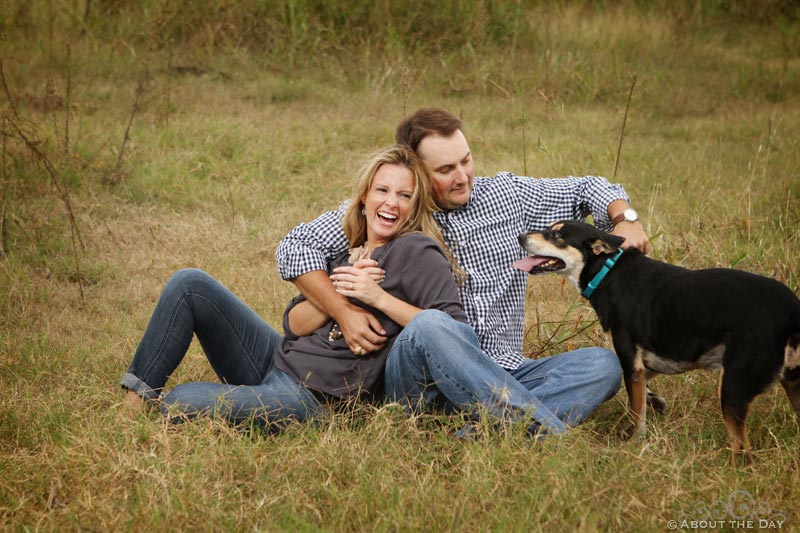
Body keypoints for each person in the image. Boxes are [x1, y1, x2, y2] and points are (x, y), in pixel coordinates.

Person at [276, 108, 651, 436]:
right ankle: (541, 429)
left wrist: (624, 218)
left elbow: (589, 188)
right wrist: (344, 310)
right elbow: (293, 248)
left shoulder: (505, 195)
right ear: (416, 172)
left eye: (466, 160)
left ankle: (481, 431)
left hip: (504, 370)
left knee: (601, 365)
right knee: (432, 326)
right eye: (445, 169)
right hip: (422, 378)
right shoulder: (395, 208)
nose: (463, 176)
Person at [120, 144, 465, 429]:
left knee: (182, 402)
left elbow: (451, 331)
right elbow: (295, 325)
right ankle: (134, 402)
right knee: (190, 283)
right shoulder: (351, 246)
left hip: (315, 398)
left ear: (414, 206)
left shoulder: (415, 251)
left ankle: (253, 405)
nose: (391, 202)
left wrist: (378, 297)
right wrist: (341, 291)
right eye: (383, 190)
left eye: (404, 195)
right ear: (364, 197)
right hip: (279, 362)